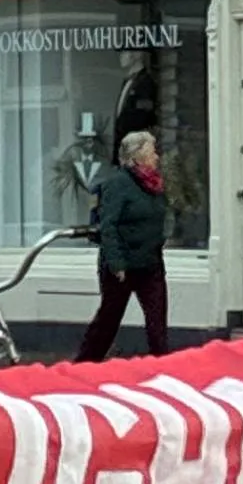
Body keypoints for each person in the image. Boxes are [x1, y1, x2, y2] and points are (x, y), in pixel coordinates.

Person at [73, 129, 172, 360]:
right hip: (122, 267)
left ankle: (164, 367)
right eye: (151, 151)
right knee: (109, 319)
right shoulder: (118, 185)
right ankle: (85, 363)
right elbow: (109, 226)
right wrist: (116, 263)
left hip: (150, 263)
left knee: (157, 322)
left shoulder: (154, 185)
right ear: (137, 157)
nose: (156, 156)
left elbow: (161, 216)